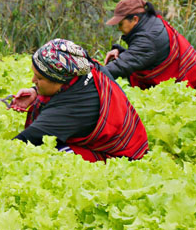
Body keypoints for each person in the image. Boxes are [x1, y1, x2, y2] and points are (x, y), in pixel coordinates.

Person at [10, 39, 148, 163]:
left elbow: (25, 141)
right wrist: (35, 91)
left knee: (47, 155)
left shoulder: (72, 108)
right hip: (132, 139)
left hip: (121, 156)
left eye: (39, 78)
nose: (33, 80)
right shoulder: (86, 68)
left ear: (59, 81)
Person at [104, 0, 196, 101]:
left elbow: (123, 65)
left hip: (192, 87)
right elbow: (142, 56)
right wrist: (120, 52)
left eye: (121, 24)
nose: (119, 28)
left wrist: (92, 73)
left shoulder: (148, 38)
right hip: (192, 77)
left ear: (135, 19)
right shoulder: (151, 23)